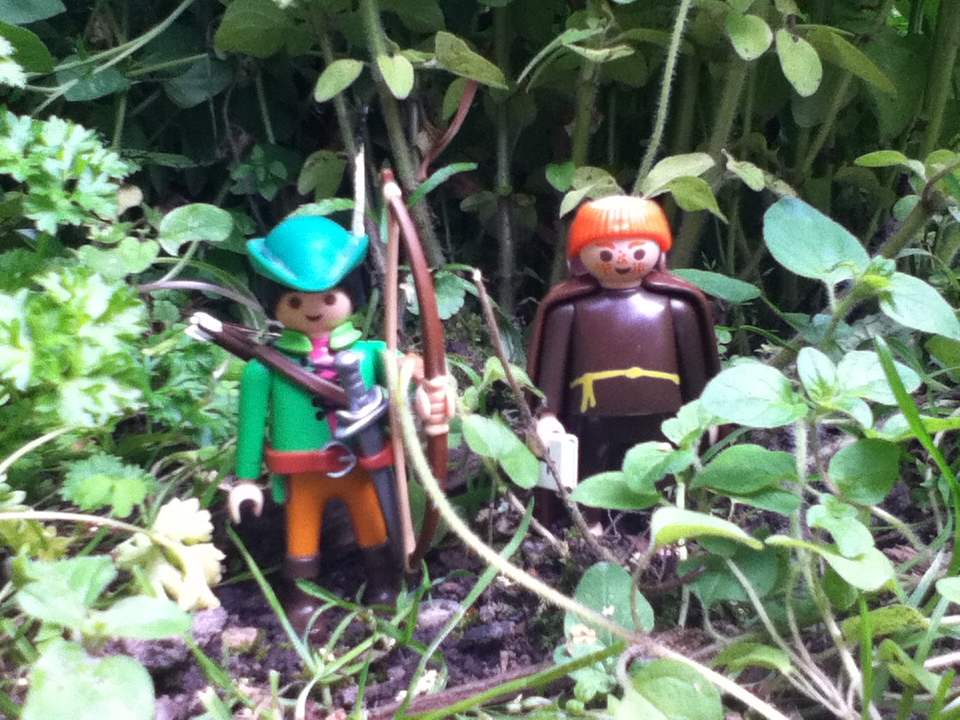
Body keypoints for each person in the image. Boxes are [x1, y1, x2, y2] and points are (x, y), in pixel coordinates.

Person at [227, 215, 450, 635]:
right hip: (302, 469)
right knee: (301, 532)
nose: (313, 309)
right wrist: (245, 479)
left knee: (371, 523)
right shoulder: (265, 368)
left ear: (352, 294)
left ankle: (383, 584)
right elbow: (252, 424)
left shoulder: (372, 354)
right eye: (295, 302)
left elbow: (405, 386)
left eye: (329, 298)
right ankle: (302, 597)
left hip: (360, 462)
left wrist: (427, 402)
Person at [528, 196, 720, 519]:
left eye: (637, 251)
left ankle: (661, 521)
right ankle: (590, 522)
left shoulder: (677, 308)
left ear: (658, 251)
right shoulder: (568, 310)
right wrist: (547, 414)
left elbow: (695, 368)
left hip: (664, 415)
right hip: (590, 415)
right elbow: (553, 367)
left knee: (662, 466)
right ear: (581, 255)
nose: (622, 260)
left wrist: (707, 413)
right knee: (591, 468)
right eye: (606, 253)